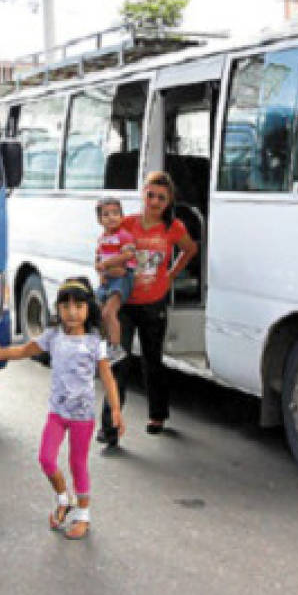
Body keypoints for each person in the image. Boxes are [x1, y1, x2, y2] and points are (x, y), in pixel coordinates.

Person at [0, 278, 122, 540]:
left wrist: (116, 411)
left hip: (82, 416)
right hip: (57, 413)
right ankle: (62, 497)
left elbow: (108, 377)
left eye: (79, 305)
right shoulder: (53, 336)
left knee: (78, 463)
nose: (72, 312)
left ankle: (83, 515)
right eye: (65, 306)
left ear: (89, 308)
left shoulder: (94, 341)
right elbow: (23, 350)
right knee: (46, 459)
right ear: (58, 309)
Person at [98, 171, 198, 447]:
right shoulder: (125, 224)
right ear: (142, 193)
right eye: (150, 195)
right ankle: (110, 427)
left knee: (153, 362)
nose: (154, 202)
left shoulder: (173, 227)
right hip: (125, 305)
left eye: (161, 198)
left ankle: (157, 414)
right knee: (119, 363)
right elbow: (105, 251)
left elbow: (189, 249)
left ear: (169, 202)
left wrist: (171, 273)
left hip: (154, 304)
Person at [94, 197, 136, 363]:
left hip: (122, 279)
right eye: (106, 214)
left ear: (122, 216)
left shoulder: (124, 236)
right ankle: (104, 344)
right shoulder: (102, 238)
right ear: (99, 220)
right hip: (108, 278)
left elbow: (128, 255)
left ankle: (116, 347)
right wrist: (100, 269)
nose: (112, 217)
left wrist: (106, 264)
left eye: (116, 213)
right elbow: (98, 258)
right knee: (98, 312)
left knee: (109, 312)